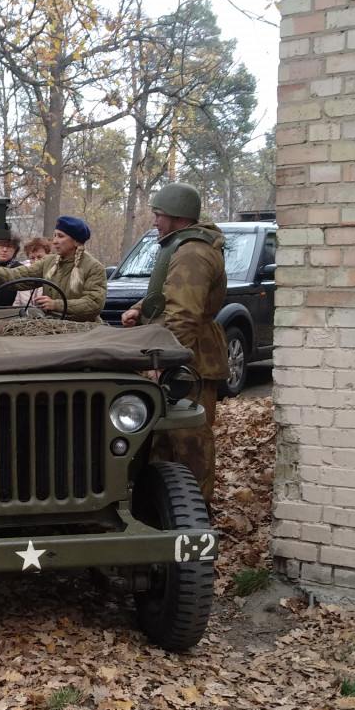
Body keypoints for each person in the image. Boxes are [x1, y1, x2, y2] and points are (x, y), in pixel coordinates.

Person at [120, 182, 227, 506]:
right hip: (177, 355)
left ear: (177, 216)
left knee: (188, 444)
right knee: (164, 443)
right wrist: (140, 308)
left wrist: (164, 364)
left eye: (158, 214)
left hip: (188, 361)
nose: (154, 221)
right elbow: (169, 295)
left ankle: (193, 519)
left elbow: (183, 315)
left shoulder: (193, 252)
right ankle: (165, 514)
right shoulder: (183, 246)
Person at [0, 215, 106, 322]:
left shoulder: (94, 267)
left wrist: (56, 305)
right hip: (52, 326)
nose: (55, 241)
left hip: (84, 330)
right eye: (55, 236)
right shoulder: (49, 262)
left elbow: (94, 304)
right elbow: (18, 276)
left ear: (76, 241)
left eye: (61, 236)